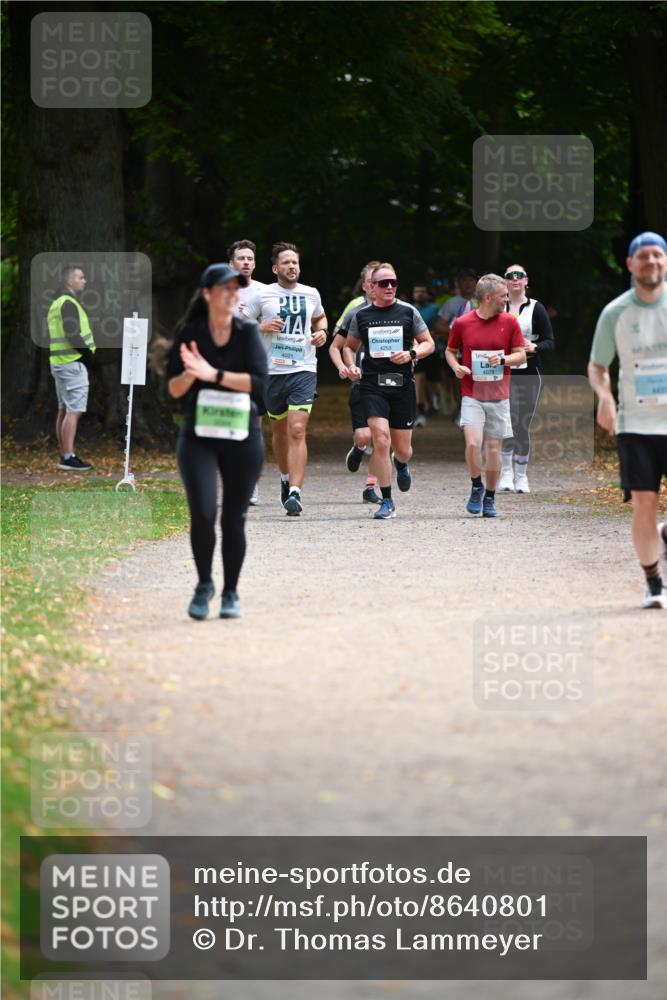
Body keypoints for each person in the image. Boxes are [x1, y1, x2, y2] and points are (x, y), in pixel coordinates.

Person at [167, 263, 267, 620]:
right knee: (204, 514)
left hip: (242, 437)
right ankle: (204, 584)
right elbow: (174, 390)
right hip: (198, 437)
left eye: (235, 289)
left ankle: (230, 592)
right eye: (223, 288)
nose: (231, 294)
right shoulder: (190, 332)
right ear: (207, 293)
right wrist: (190, 375)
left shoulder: (246, 332)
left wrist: (213, 374)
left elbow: (259, 384)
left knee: (233, 519)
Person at [588, 231, 667, 610]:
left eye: (658, 255)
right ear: (630, 264)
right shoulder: (615, 313)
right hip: (636, 425)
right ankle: (653, 582)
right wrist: (604, 398)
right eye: (644, 256)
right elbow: (598, 366)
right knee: (644, 503)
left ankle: (662, 537)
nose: (651, 262)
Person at [343, 263, 435, 520]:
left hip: (402, 386)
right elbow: (348, 347)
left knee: (402, 448)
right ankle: (387, 501)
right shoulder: (361, 315)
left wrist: (411, 354)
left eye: (393, 282)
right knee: (381, 440)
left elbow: (429, 343)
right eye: (384, 283)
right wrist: (350, 365)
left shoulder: (408, 311)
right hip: (372, 386)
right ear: (371, 287)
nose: (390, 287)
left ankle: (402, 463)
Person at [243, 242, 327, 516]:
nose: (292, 267)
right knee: (278, 432)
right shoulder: (263, 294)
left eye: (296, 262)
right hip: (270, 372)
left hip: (303, 368)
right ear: (275, 268)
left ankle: (295, 492)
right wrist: (262, 326)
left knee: (297, 429)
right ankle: (284, 477)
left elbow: (321, 319)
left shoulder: (311, 293)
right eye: (287, 263)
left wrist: (321, 333)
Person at [445, 274, 526, 518]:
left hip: (499, 396)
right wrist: (455, 367)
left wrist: (502, 360)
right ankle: (476, 485)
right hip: (472, 393)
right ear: (488, 297)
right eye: (503, 296)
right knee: (472, 444)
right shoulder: (463, 323)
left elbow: (520, 354)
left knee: (493, 450)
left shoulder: (510, 322)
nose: (506, 299)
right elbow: (450, 351)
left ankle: (490, 497)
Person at [498, 264, 555, 493]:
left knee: (522, 422)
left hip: (530, 371)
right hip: (502, 371)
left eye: (519, 276)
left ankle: (521, 475)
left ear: (526, 281)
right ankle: (505, 472)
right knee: (505, 421)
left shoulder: (536, 308)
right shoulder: (497, 307)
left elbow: (550, 342)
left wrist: (534, 346)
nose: (514, 279)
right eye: (510, 276)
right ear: (504, 281)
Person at [329, 260, 382, 504]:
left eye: (382, 282)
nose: (377, 287)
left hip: (388, 382)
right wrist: (345, 367)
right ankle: (359, 448)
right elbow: (336, 345)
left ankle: (371, 487)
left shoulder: (400, 309)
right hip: (362, 381)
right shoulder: (355, 310)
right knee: (364, 436)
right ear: (365, 285)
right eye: (372, 282)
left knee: (382, 438)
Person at [228, 239, 266, 505]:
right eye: (241, 258)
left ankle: (250, 484)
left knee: (254, 427)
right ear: (231, 263)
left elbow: (274, 325)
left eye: (250, 258)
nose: (246, 262)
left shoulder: (265, 292)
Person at [47, 265, 97, 471]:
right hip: (72, 363)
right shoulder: (68, 303)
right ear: (69, 281)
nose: (84, 281)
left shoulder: (57, 303)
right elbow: (72, 333)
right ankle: (68, 457)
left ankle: (65, 454)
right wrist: (86, 355)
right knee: (74, 411)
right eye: (81, 277)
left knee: (64, 409)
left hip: (60, 363)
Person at [435, 268, 478, 419]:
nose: (467, 283)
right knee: (457, 380)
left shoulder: (484, 301)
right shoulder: (451, 303)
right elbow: (439, 326)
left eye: (471, 280)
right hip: (457, 350)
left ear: (476, 282)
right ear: (458, 283)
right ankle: (461, 407)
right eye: (464, 280)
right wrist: (459, 332)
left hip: (479, 350)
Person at [411, 283, 442, 426]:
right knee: (419, 378)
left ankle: (435, 399)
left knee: (432, 381)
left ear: (428, 294)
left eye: (422, 291)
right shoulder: (409, 309)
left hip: (433, 349)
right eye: (417, 291)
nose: (419, 294)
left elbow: (440, 327)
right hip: (416, 349)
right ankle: (420, 410)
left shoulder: (435, 309)